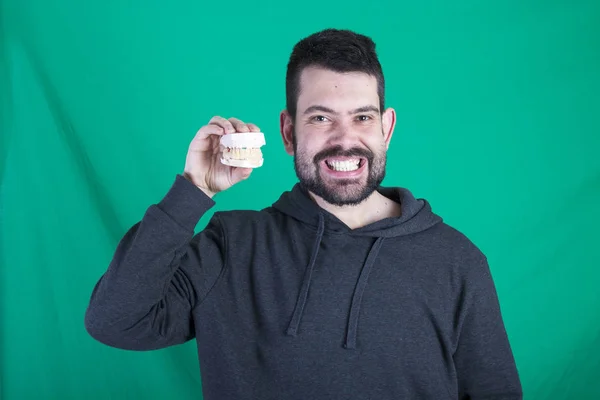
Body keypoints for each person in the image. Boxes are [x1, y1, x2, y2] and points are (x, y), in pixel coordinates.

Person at [85, 28, 522, 399]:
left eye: (363, 117)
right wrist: (192, 191)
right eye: (320, 119)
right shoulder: (231, 245)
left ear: (386, 129)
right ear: (288, 133)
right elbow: (116, 323)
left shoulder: (456, 261)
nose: (345, 140)